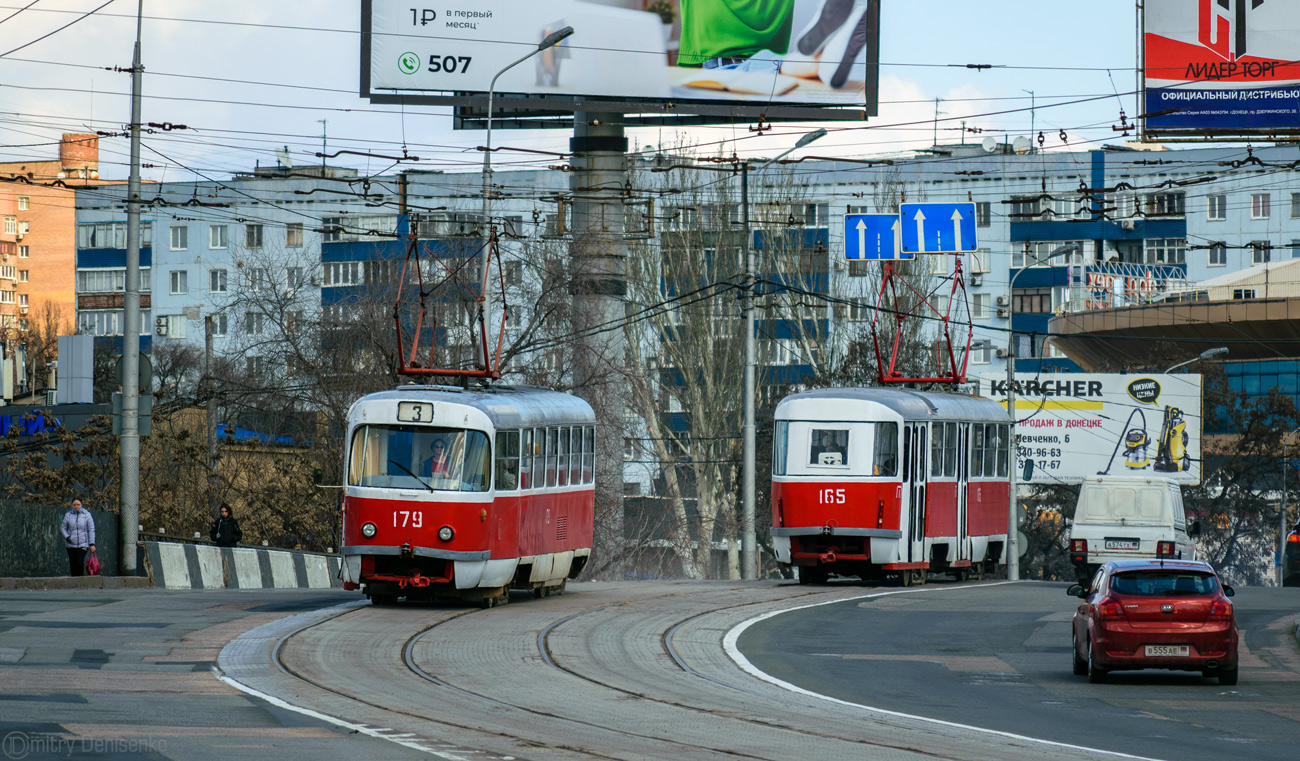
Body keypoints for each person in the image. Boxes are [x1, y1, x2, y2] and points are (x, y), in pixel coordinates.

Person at [60, 497, 96, 577]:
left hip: (83, 543)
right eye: (74, 505)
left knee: (79, 561)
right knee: (73, 562)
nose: (76, 506)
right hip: (71, 544)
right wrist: (67, 536)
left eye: (78, 505)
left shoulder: (87, 515)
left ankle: (80, 579)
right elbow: (63, 528)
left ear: (81, 505)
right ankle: (74, 579)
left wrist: (92, 543)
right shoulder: (68, 515)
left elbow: (91, 529)